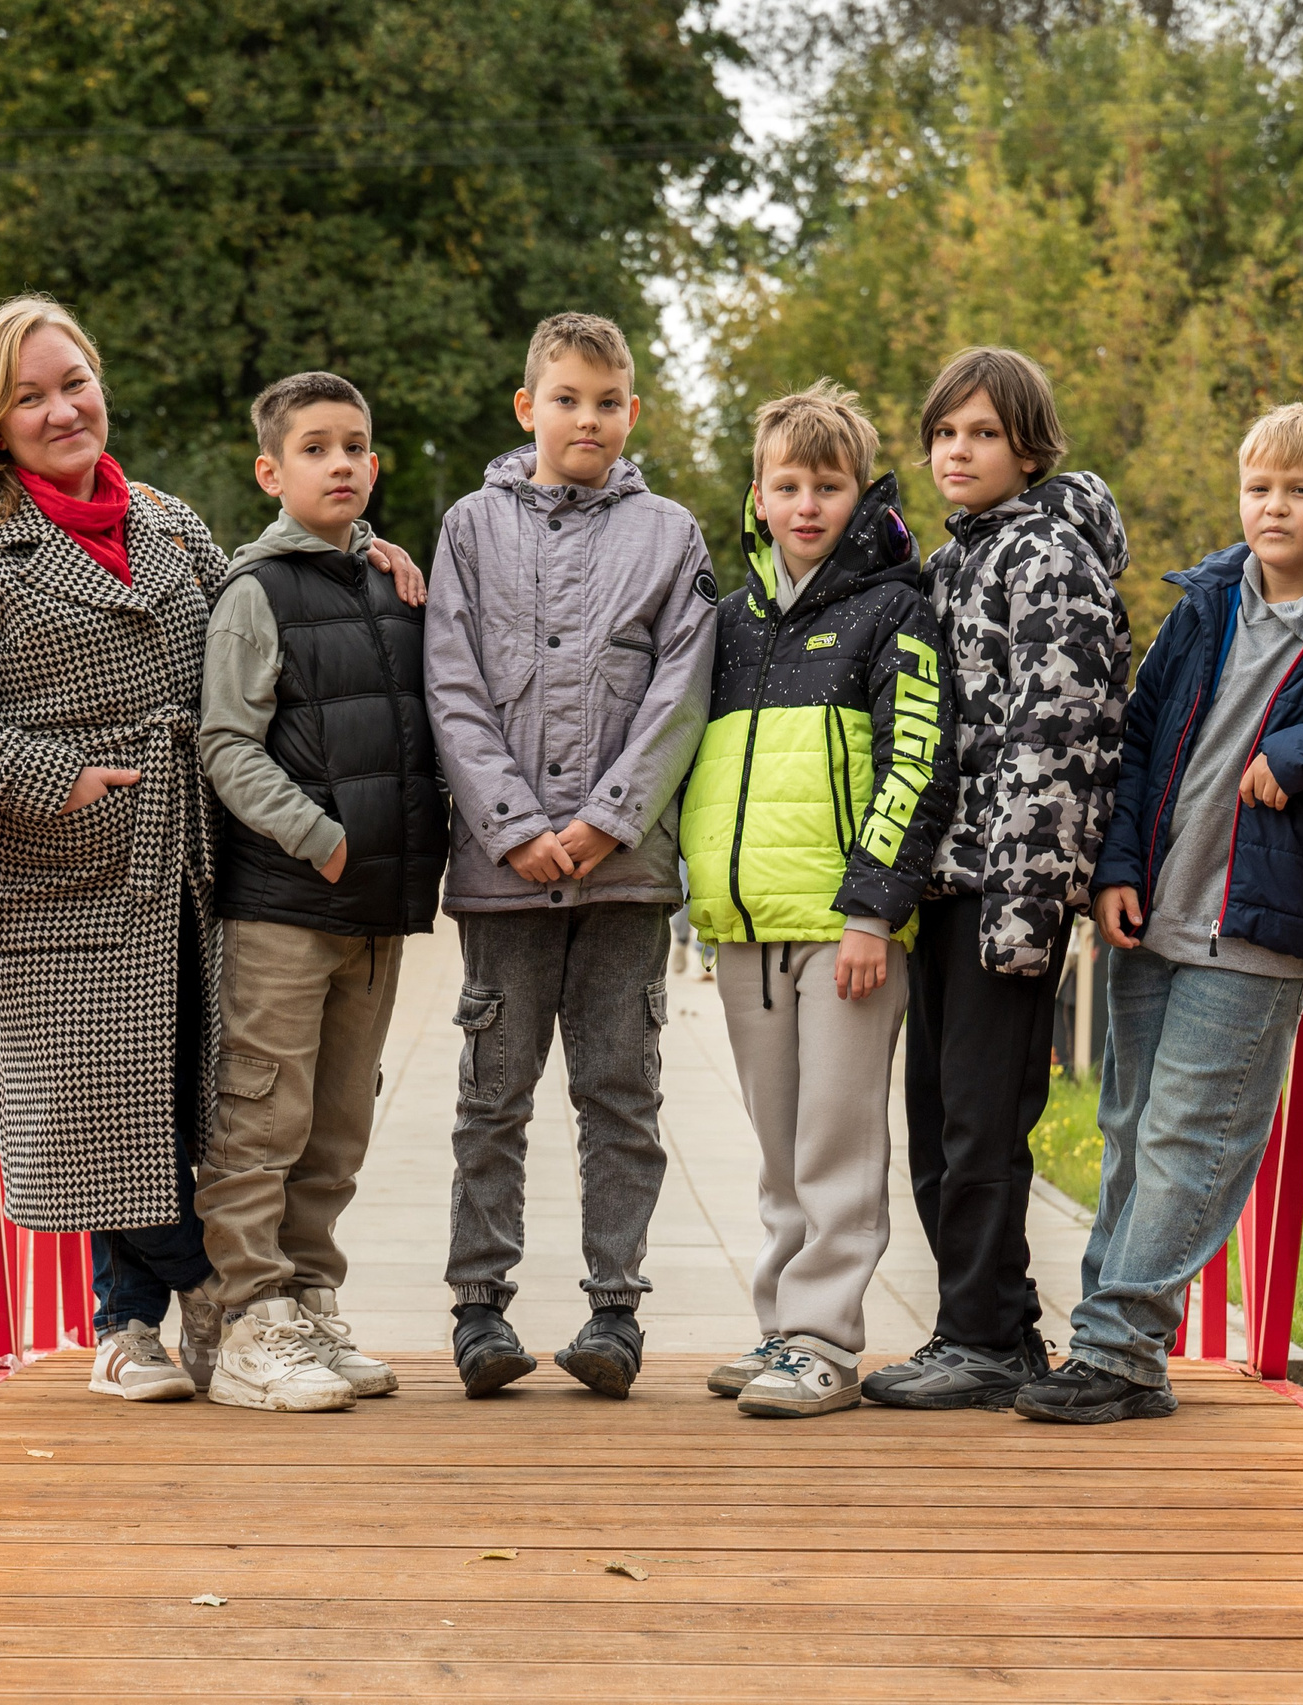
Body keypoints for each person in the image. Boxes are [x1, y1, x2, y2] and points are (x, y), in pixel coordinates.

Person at [0, 296, 418, 1406]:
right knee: (99, 1104)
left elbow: (262, 598)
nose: (59, 408)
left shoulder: (170, 521)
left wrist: (362, 546)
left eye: (71, 381)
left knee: (192, 1093)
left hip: (198, 850)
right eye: (29, 395)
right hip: (64, 864)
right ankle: (179, 1315)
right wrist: (56, 779)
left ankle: (178, 1318)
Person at [1017, 401, 1303, 1424]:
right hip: (1157, 907)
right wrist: (1113, 867)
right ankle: (1107, 1338)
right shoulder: (1207, 602)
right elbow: (1136, 741)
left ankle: (1119, 1351)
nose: (1274, 507)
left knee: (1186, 1135)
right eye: (1258, 488)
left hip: (1255, 928)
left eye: (1298, 491)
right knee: (1127, 1129)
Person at [423, 311, 719, 1399]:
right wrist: (512, 825)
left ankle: (613, 1308)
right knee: (492, 1094)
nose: (585, 419)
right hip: (505, 882)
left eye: (606, 402)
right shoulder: (469, 529)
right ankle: (479, 1309)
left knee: (619, 1093)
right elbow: (450, 686)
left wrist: (606, 820)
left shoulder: (669, 535)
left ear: (631, 412)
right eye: (565, 399)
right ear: (527, 407)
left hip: (624, 875)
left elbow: (678, 694)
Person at [864, 347, 1134, 1413]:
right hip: (944, 882)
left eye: (979, 433)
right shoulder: (955, 558)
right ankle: (987, 1326)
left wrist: (1023, 913)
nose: (956, 451)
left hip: (1003, 893)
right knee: (935, 1116)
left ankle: (986, 1335)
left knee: (980, 1121)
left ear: (1028, 446)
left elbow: (1055, 741)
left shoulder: (1048, 561)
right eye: (942, 434)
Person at [682, 382, 953, 1418]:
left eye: (827, 485)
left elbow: (916, 759)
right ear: (756, 493)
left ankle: (826, 1339)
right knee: (778, 1143)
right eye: (786, 484)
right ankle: (779, 1324)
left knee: (838, 1140)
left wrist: (872, 910)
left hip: (846, 930)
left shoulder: (895, 610)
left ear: (860, 492)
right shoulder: (728, 620)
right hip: (747, 927)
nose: (806, 504)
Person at [193, 371, 446, 1412]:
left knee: (337, 1126)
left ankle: (307, 1301)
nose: (339, 462)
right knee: (261, 1118)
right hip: (285, 906)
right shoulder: (255, 593)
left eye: (355, 445)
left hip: (374, 914)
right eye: (315, 448)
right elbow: (225, 743)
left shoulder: (395, 584)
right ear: (271, 471)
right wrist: (320, 839)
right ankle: (245, 1319)